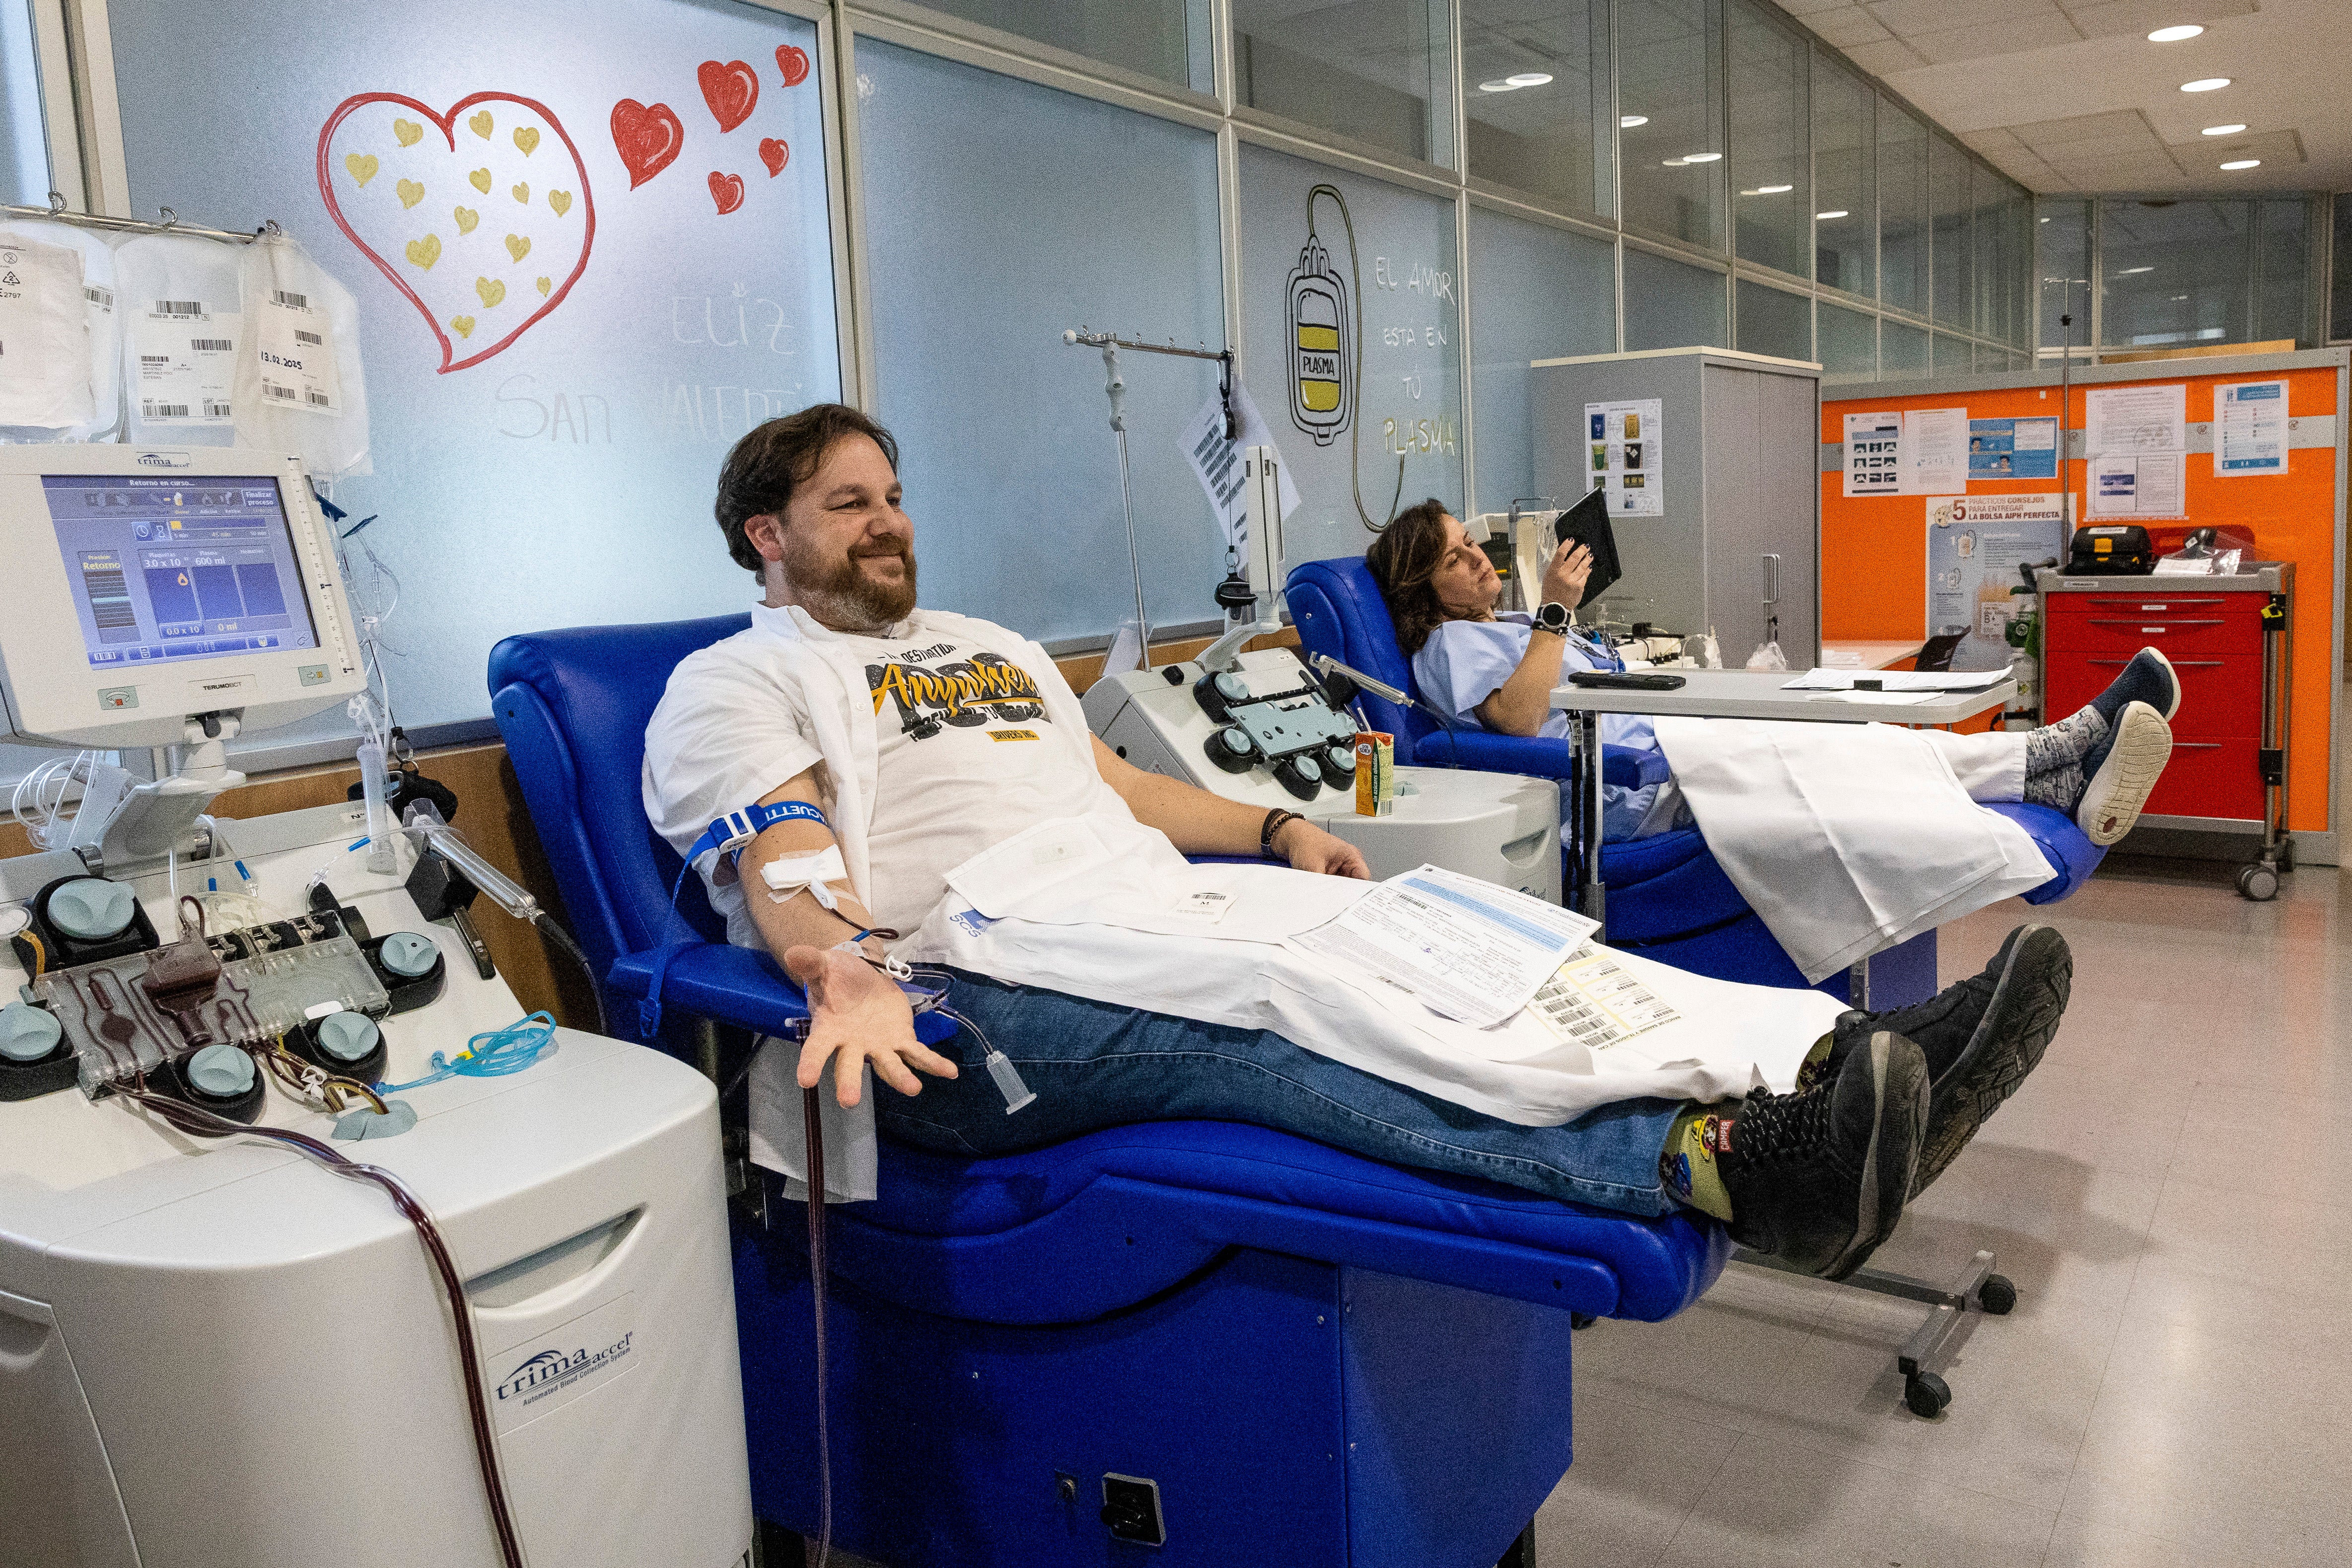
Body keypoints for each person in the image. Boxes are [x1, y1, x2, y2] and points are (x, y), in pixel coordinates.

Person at [642, 404, 2076, 1282]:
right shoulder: (737, 679)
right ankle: (1727, 1162)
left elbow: (1115, 788)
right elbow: (785, 854)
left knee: (1458, 928)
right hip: (950, 996)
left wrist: (1277, 825)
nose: (889, 523)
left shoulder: (993, 646)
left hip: (1130, 909)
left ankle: (1819, 1062)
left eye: (893, 494)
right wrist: (835, 964)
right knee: (1280, 1025)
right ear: (766, 534)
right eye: (850, 504)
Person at [1365, 498, 2179, 850]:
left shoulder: (1498, 622)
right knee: (1848, 755)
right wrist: (1553, 612)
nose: (1479, 560)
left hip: (1673, 743)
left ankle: (2051, 777)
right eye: (1455, 558)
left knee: (1855, 743)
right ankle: (2054, 754)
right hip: (1636, 785)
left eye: (1472, 543)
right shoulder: (1445, 647)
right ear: (1420, 588)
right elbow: (1515, 718)